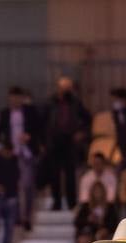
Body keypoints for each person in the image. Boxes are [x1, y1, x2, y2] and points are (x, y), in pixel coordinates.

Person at [44, 76, 91, 211]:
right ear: (58, 88)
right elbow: (43, 123)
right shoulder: (50, 103)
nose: (67, 91)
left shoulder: (76, 103)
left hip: (70, 141)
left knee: (70, 173)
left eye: (69, 88)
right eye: (64, 88)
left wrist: (82, 132)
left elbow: (88, 119)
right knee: (54, 173)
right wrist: (44, 141)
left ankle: (71, 202)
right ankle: (56, 202)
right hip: (54, 141)